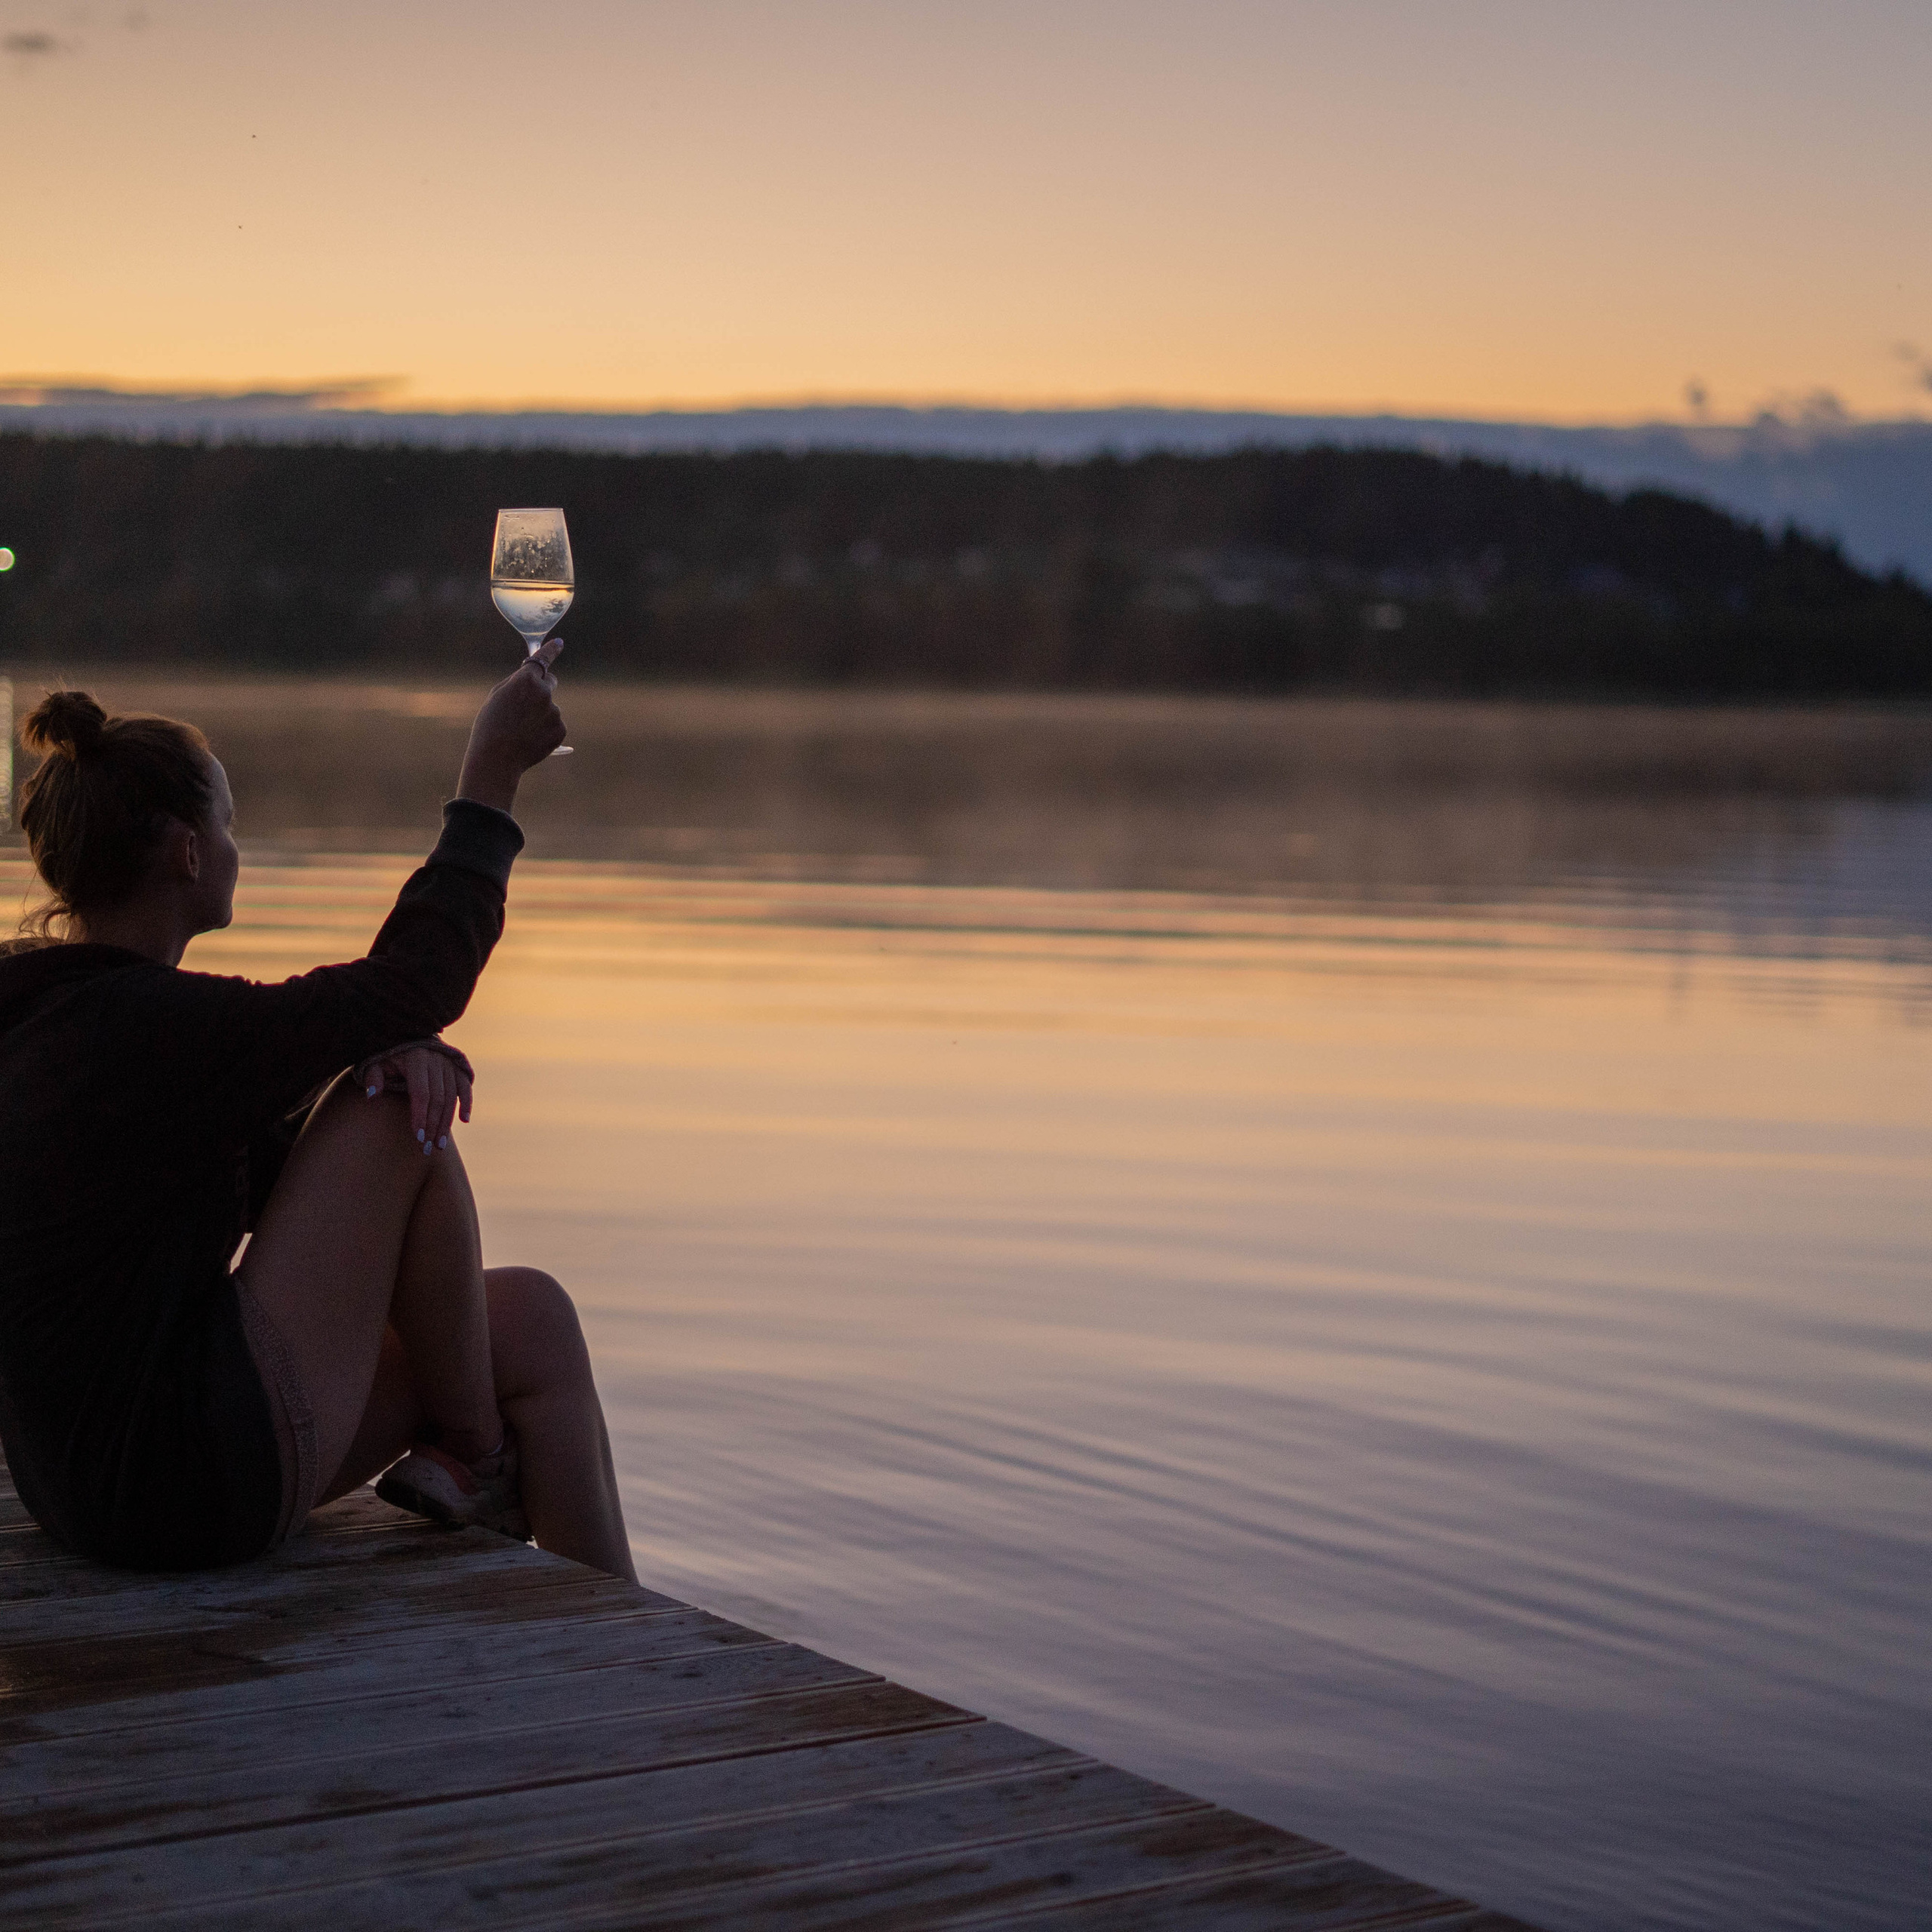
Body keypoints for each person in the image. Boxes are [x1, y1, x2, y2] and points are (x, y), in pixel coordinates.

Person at [0, 648, 635, 1580]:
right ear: (188, 853)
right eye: (229, 823)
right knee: (396, 1109)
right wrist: (490, 777)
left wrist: (390, 1041)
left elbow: (285, 1156)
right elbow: (411, 982)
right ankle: (478, 1454)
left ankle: (608, 1615)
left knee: (533, 1321)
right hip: (173, 1484)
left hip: (84, 1483)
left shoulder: (50, 1016)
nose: (236, 845)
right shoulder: (151, 1028)